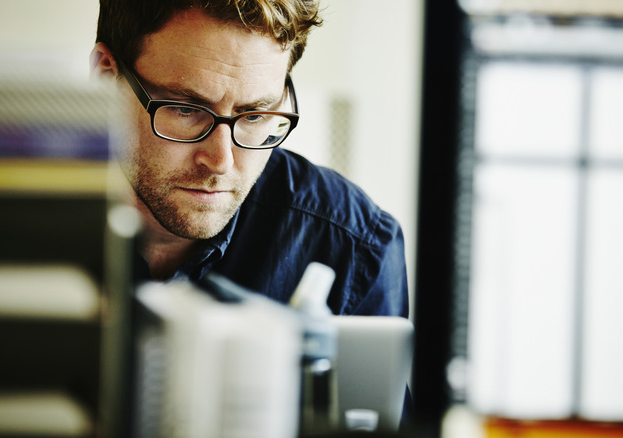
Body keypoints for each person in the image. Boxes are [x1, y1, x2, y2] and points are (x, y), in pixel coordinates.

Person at [91, 0, 408, 318]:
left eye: (255, 116)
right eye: (186, 109)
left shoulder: (354, 247)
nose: (221, 161)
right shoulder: (41, 223)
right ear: (106, 75)